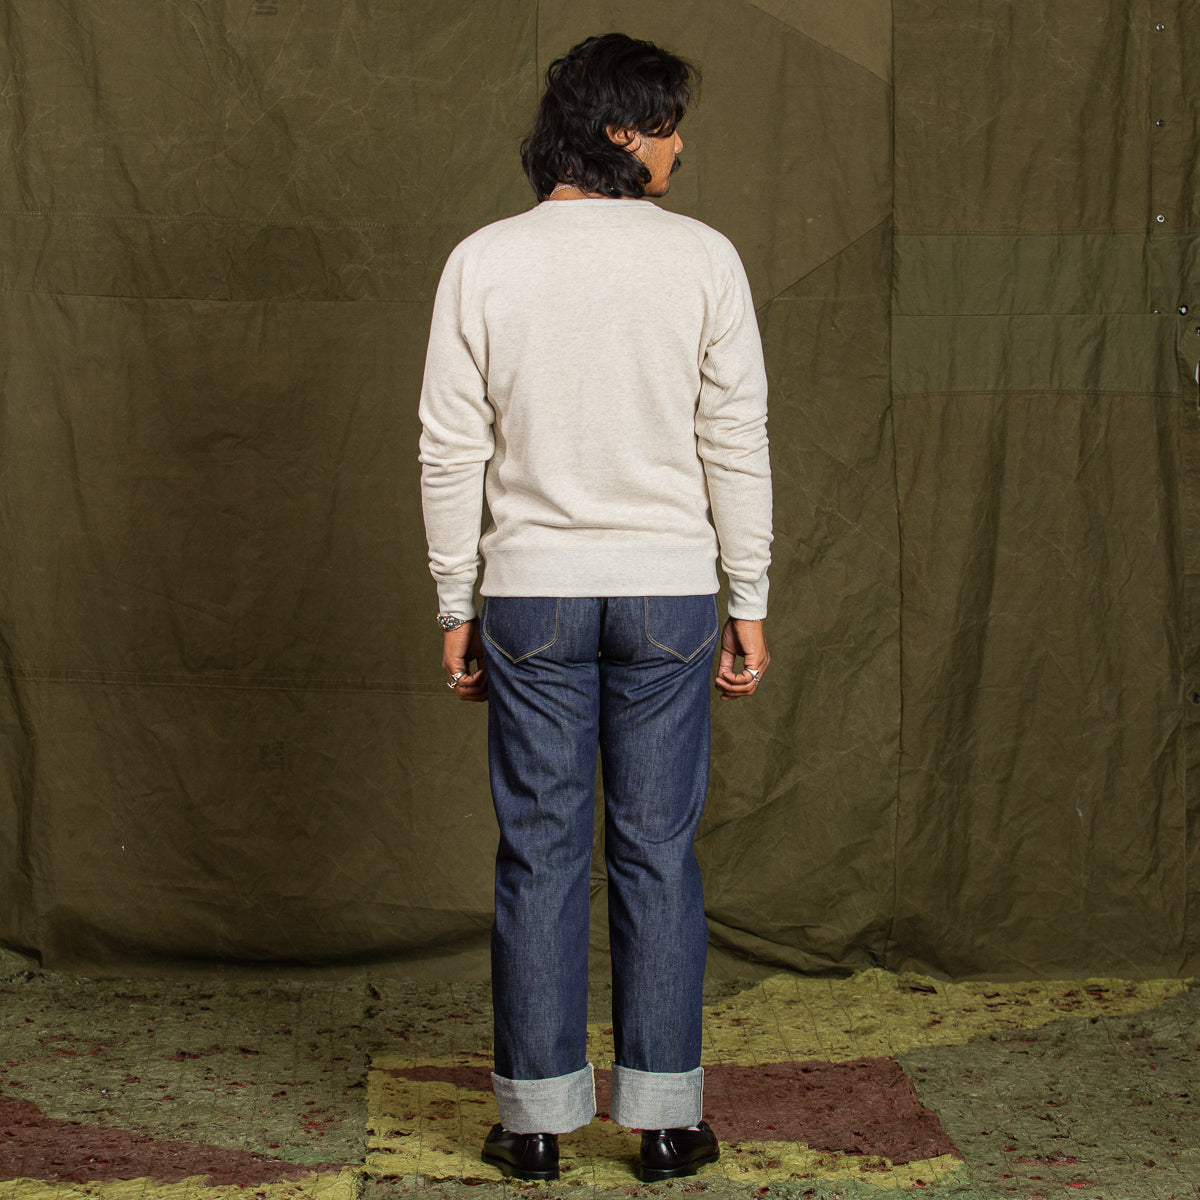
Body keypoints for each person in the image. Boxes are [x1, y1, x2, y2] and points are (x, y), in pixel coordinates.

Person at [418, 32, 772, 1182]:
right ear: (617, 131)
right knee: (657, 852)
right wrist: (750, 595)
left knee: (539, 853)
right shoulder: (705, 260)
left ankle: (532, 1128)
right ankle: (665, 1125)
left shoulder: (484, 260)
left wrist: (455, 601)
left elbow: (449, 448)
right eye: (665, 122)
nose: (679, 145)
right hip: (670, 590)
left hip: (532, 599)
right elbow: (735, 438)